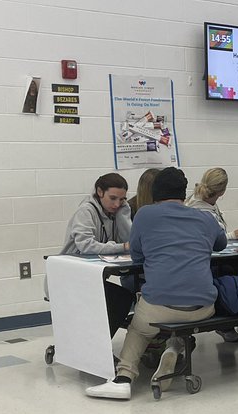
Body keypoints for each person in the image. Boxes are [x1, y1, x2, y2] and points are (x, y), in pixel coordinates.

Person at [85, 168, 227, 400]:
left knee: (139, 329)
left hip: (160, 306)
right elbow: (220, 244)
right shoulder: (205, 217)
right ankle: (174, 347)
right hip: (203, 306)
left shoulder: (145, 215)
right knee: (182, 320)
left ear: (155, 192)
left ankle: (124, 378)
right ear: (184, 193)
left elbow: (137, 255)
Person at [59, 172, 133, 335]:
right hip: (70, 276)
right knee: (120, 300)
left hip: (92, 276)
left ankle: (96, 343)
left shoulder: (116, 212)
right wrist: (121, 247)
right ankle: (95, 343)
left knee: (123, 298)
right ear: (100, 192)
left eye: (122, 200)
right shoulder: (86, 211)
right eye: (113, 198)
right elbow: (86, 246)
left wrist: (123, 214)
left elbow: (130, 241)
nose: (117, 204)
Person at [186, 167, 238, 342]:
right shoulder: (199, 208)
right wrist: (231, 235)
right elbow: (211, 238)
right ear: (222, 191)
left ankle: (236, 322)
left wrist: (230, 235)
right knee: (233, 270)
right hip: (204, 261)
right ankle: (228, 321)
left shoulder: (203, 200)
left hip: (204, 257)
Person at [186, 167, 238, 238]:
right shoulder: (202, 212)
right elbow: (210, 240)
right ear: (222, 192)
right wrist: (232, 235)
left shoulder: (195, 199)